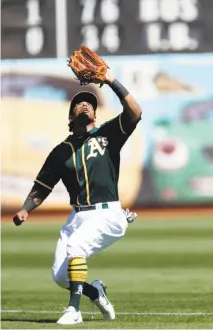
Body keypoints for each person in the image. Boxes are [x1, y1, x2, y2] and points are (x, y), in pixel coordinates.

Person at [13, 68, 142, 325]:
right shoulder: (60, 152)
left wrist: (112, 81)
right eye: (78, 104)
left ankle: (74, 311)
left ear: (95, 114)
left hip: (107, 213)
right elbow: (42, 186)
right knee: (61, 276)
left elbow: (135, 112)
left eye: (90, 104)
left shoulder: (108, 136)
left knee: (76, 248)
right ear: (70, 117)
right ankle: (95, 291)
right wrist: (26, 208)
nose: (85, 105)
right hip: (77, 217)